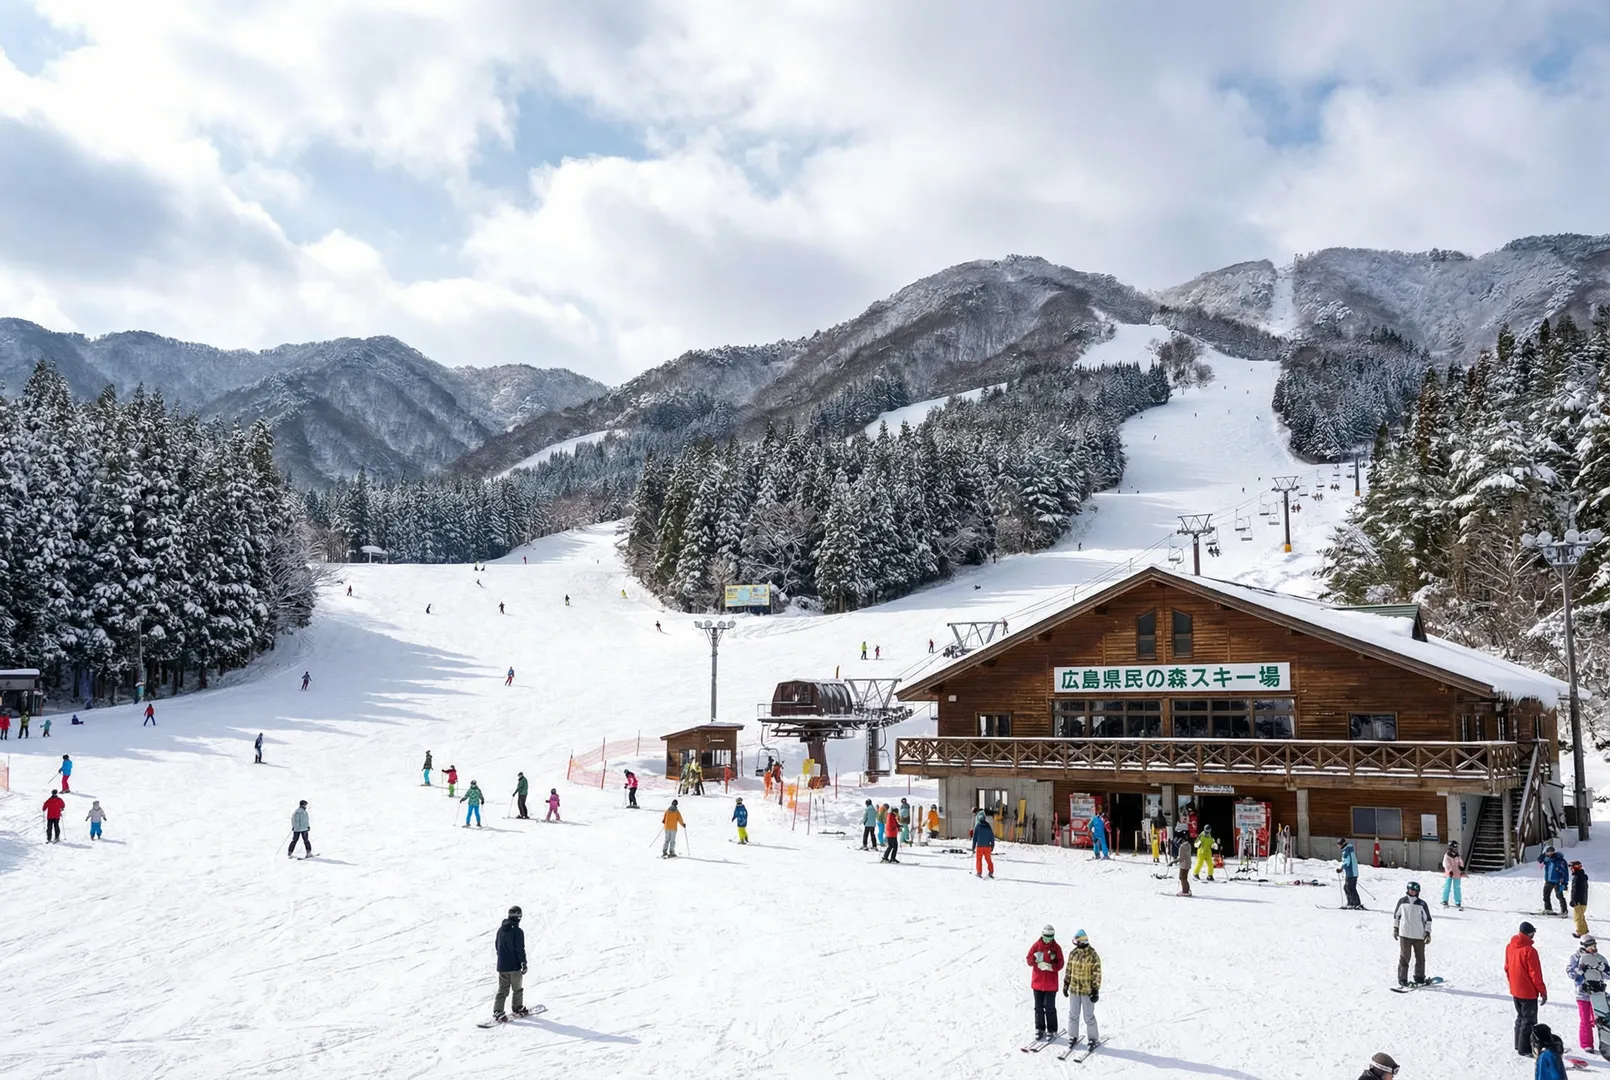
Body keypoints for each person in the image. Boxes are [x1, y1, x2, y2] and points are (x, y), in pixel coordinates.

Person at [1508, 921, 1548, 1058]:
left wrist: (1512, 983)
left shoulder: (1510, 947)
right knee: (1529, 1020)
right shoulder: (1530, 950)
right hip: (1528, 991)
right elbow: (1535, 973)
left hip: (1515, 989)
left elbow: (1507, 967)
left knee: (1520, 1017)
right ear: (1529, 933)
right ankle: (1524, 1048)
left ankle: (1518, 1044)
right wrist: (1542, 990)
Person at [1566, 934, 1608, 1054]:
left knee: (1602, 1019)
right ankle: (1586, 1043)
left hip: (1598, 993)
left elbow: (1608, 974)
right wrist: (1577, 971)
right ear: (1584, 947)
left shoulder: (1599, 957)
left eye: (1594, 945)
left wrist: (1603, 969)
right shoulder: (1576, 957)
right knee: (1585, 1019)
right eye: (1590, 946)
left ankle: (1606, 1043)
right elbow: (1570, 973)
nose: (1593, 948)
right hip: (1583, 994)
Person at [1061, 930, 1102, 1050]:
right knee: (1073, 1014)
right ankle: (1072, 1036)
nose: (1076, 944)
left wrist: (1095, 989)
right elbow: (1068, 969)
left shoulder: (1093, 955)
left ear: (1083, 941)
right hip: (1074, 989)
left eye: (1077, 941)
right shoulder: (1073, 953)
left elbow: (1097, 973)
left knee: (1088, 1016)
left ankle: (1093, 1038)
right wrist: (1066, 983)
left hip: (1087, 991)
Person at [491, 905, 532, 1023]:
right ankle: (518, 1008)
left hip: (502, 966)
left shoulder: (501, 929)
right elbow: (520, 949)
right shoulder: (518, 931)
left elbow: (496, 945)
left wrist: (502, 958)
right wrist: (523, 963)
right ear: (519, 917)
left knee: (503, 989)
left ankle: (498, 1011)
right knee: (517, 989)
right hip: (514, 966)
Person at [1026, 925, 1065, 1041]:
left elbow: (1061, 963)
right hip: (1037, 983)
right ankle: (1040, 1028)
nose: (1048, 939)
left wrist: (1051, 967)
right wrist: (1035, 962)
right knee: (1038, 1007)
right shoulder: (1036, 946)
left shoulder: (1056, 948)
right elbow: (1028, 959)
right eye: (1046, 936)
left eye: (1051, 937)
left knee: (1049, 1007)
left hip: (1050, 984)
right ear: (1042, 935)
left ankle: (1052, 1030)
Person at [1393, 881, 1432, 986]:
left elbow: (1428, 919)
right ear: (1407, 889)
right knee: (1404, 957)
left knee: (1420, 958)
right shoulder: (1402, 902)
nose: (1413, 892)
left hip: (1419, 935)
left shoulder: (1422, 904)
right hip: (1405, 934)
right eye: (1411, 890)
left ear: (1418, 892)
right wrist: (1395, 928)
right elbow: (1396, 916)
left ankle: (1419, 977)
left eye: (1415, 891)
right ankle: (1402, 978)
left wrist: (1427, 933)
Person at [1542, 846, 1570, 916]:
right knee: (1546, 895)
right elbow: (1539, 860)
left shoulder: (1560, 861)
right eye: (1547, 852)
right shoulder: (1547, 860)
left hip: (1558, 881)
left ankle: (1564, 910)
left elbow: (1565, 872)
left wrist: (1565, 882)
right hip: (1549, 880)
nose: (1548, 854)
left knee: (1559, 896)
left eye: (1550, 852)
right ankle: (1548, 909)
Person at [1339, 838, 1363, 909]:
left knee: (1350, 888)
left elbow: (1346, 862)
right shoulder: (1348, 850)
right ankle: (1351, 903)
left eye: (1339, 845)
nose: (1338, 847)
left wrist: (1341, 869)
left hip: (1351, 873)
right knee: (1347, 887)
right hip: (1351, 872)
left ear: (1342, 844)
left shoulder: (1347, 851)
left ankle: (1356, 904)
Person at [973, 810, 996, 878]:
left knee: (979, 860)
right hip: (987, 847)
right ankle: (991, 872)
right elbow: (992, 836)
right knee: (988, 860)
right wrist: (992, 846)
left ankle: (979, 873)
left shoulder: (977, 826)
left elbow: (975, 838)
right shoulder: (988, 826)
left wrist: (973, 846)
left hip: (980, 846)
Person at [1442, 841, 1465, 910]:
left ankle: (1458, 901)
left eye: (1456, 847)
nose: (1456, 848)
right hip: (1450, 874)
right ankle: (1445, 900)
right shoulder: (1447, 855)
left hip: (1457, 873)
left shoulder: (1457, 855)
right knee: (1447, 887)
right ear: (1451, 847)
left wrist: (1461, 868)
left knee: (1457, 887)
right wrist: (1449, 871)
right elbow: (1446, 863)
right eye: (1454, 847)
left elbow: (1460, 861)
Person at [1572, 861, 1592, 939]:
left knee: (1577, 917)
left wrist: (1573, 900)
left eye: (1572, 867)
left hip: (1578, 900)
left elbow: (1575, 890)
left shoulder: (1577, 877)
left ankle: (1579, 932)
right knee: (1581, 916)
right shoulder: (1583, 877)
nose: (1571, 869)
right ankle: (1584, 930)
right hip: (1583, 900)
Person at [1175, 826, 1192, 897]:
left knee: (1182, 877)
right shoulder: (1188, 845)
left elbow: (1181, 858)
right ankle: (1187, 889)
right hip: (1188, 864)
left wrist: (1173, 861)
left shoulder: (1182, 847)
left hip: (1184, 865)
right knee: (1185, 877)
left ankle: (1185, 891)